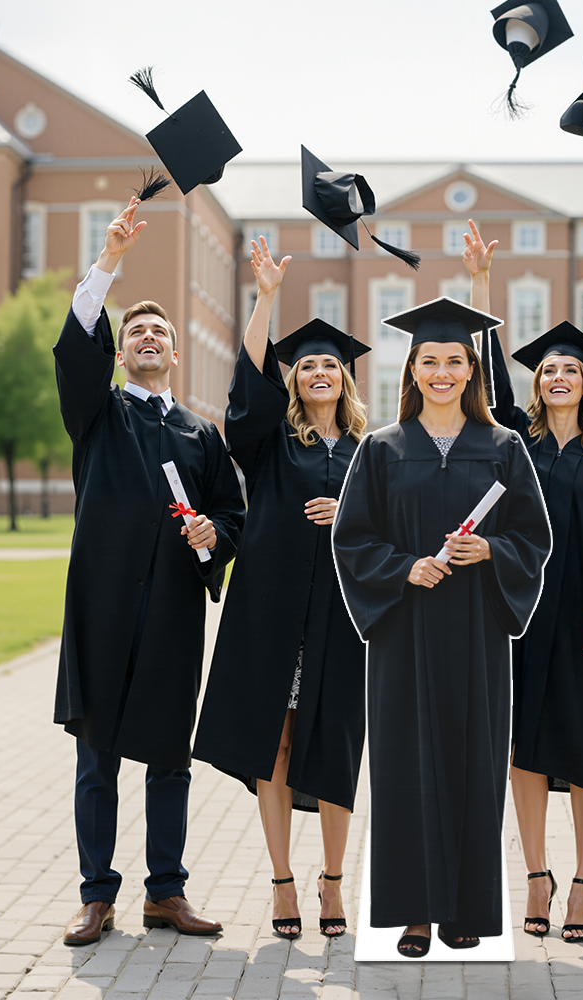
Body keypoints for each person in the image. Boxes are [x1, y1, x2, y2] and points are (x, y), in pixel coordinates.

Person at [332, 297, 551, 958]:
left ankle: (466, 912)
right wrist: (404, 569)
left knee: (473, 762)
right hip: (404, 635)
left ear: (472, 370)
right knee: (404, 766)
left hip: (477, 634)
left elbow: (534, 539)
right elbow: (351, 539)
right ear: (414, 368)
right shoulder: (381, 448)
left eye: (455, 360)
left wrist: (492, 552)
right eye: (430, 360)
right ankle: (414, 914)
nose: (442, 371)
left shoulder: (505, 448)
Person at [53, 196, 244, 945]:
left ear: (175, 351)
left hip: (169, 611)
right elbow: (75, 347)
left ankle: (166, 891)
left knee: (168, 757)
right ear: (121, 351)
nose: (150, 338)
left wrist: (212, 535)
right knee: (97, 756)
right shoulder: (97, 414)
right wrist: (109, 264)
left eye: (159, 332)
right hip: (101, 609)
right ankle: (96, 894)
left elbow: (233, 518)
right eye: (136, 332)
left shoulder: (200, 434)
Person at [462, 221, 583, 942]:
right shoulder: (516, 442)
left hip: (581, 621)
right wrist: (482, 286)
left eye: (570, 370)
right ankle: (536, 876)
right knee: (524, 747)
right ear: (538, 383)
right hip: (520, 613)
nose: (558, 377)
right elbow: (483, 378)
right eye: (548, 371)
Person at [193, 237, 368, 940]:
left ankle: (332, 883)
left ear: (346, 380)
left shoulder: (369, 452)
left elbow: (398, 530)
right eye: (308, 366)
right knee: (279, 746)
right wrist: (265, 297)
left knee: (336, 749)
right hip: (273, 621)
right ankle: (281, 881)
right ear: (292, 382)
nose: (320, 371)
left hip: (342, 622)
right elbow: (245, 393)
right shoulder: (270, 444)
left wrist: (352, 514)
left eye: (331, 364)